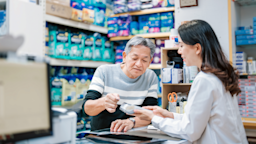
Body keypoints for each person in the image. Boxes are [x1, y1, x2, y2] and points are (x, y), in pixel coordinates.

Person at [132, 20, 248, 144]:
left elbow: (190, 131)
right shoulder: (218, 75)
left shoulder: (204, 80)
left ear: (197, 48)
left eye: (181, 45)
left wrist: (153, 118)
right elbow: (199, 119)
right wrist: (169, 115)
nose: (179, 51)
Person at [82, 36, 159, 132]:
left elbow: (150, 114)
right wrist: (104, 102)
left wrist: (131, 122)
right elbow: (87, 109)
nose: (139, 64)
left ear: (150, 62)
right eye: (134, 58)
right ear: (125, 56)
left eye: (144, 60)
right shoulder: (104, 71)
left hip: (135, 137)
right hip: (103, 135)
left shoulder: (150, 77)